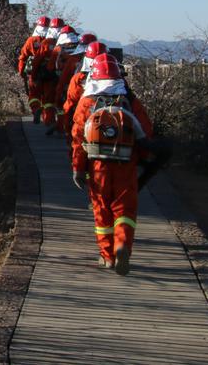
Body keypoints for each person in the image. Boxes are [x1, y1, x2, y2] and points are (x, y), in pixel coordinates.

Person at [70, 53, 154, 275]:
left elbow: (78, 138)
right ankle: (122, 245)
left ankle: (107, 256)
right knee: (125, 208)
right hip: (126, 163)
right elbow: (145, 131)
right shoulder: (129, 100)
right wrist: (144, 158)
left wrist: (78, 168)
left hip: (97, 165)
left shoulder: (87, 102)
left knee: (101, 209)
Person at [55, 32, 96, 137]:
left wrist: (58, 95)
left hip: (76, 92)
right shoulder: (105, 62)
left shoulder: (73, 61)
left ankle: (65, 130)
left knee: (70, 111)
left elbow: (64, 78)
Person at [43, 24, 77, 134]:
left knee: (60, 104)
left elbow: (50, 66)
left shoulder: (58, 49)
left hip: (61, 80)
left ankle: (61, 126)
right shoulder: (79, 49)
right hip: (78, 82)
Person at [18, 16, 50, 123]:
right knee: (47, 95)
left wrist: (21, 72)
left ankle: (36, 109)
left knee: (34, 94)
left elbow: (23, 57)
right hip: (49, 73)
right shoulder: (51, 41)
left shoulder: (31, 40)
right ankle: (47, 118)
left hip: (33, 73)